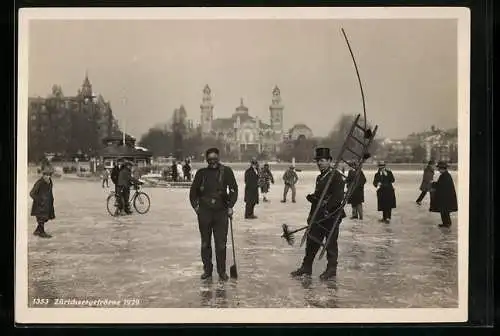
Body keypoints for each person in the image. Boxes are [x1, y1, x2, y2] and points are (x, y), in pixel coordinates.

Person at [290, 147, 346, 280]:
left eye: (322, 160)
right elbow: (320, 195)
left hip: (331, 215)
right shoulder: (320, 177)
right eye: (318, 161)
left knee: (330, 243)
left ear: (329, 161)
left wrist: (328, 208)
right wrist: (314, 198)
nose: (319, 163)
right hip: (318, 215)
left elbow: (337, 196)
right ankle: (306, 267)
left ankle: (331, 268)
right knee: (312, 240)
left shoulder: (336, 176)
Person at [189, 147, 238, 281]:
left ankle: (221, 271)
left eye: (215, 159)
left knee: (221, 244)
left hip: (221, 212)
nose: (213, 162)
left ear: (219, 158)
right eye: (210, 159)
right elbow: (193, 193)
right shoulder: (201, 173)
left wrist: (230, 206)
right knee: (205, 244)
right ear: (206, 160)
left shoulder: (226, 171)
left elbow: (234, 189)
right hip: (204, 213)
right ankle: (207, 270)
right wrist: (197, 208)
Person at [429, 161, 457, 228]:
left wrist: (433, 184)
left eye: (439, 169)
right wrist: (435, 184)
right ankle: (445, 223)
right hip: (445, 197)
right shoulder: (444, 175)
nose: (438, 170)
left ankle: (447, 223)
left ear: (443, 169)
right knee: (443, 211)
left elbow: (441, 185)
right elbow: (441, 185)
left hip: (446, 198)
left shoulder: (446, 176)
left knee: (445, 211)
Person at [30, 167, 56, 238]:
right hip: (40, 205)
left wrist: (51, 200)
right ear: (43, 175)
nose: (48, 176)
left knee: (45, 218)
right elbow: (32, 193)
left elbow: (50, 192)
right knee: (41, 218)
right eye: (46, 175)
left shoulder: (50, 182)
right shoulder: (39, 182)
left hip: (47, 204)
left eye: (49, 175)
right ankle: (42, 232)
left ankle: (37, 231)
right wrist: (40, 200)